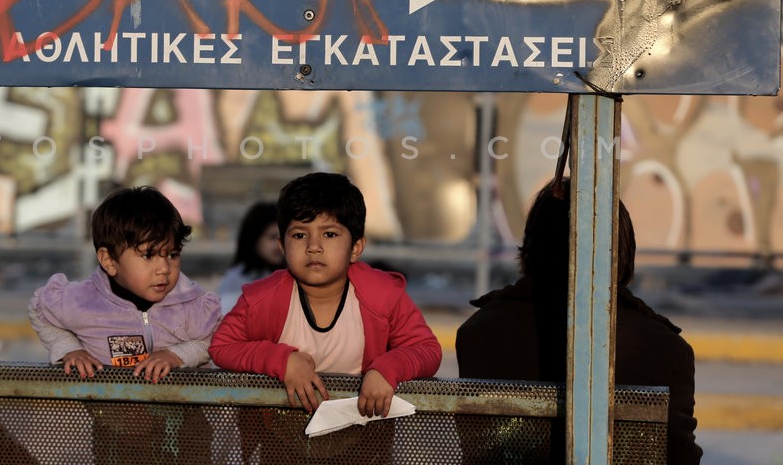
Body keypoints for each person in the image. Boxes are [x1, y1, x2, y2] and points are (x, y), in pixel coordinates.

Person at [455, 178, 702, 465]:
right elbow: (681, 456)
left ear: (532, 246)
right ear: (620, 248)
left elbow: (477, 446)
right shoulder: (666, 348)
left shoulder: (477, 334)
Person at [210, 172, 442, 416]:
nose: (313, 247)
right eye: (300, 235)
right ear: (282, 247)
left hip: (366, 444)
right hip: (279, 445)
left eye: (329, 234)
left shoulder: (383, 295)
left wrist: (386, 370)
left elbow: (427, 349)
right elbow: (222, 346)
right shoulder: (261, 299)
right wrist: (281, 361)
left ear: (356, 247)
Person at [28, 185, 222, 381]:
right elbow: (39, 310)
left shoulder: (192, 304)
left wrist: (178, 355)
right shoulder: (82, 301)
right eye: (148, 255)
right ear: (109, 261)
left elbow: (216, 339)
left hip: (183, 407)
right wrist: (69, 349)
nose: (164, 267)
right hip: (110, 409)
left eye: (172, 254)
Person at [217, 201, 282, 313]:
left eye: (283, 237)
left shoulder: (289, 275)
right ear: (254, 238)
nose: (279, 245)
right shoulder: (237, 279)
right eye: (272, 237)